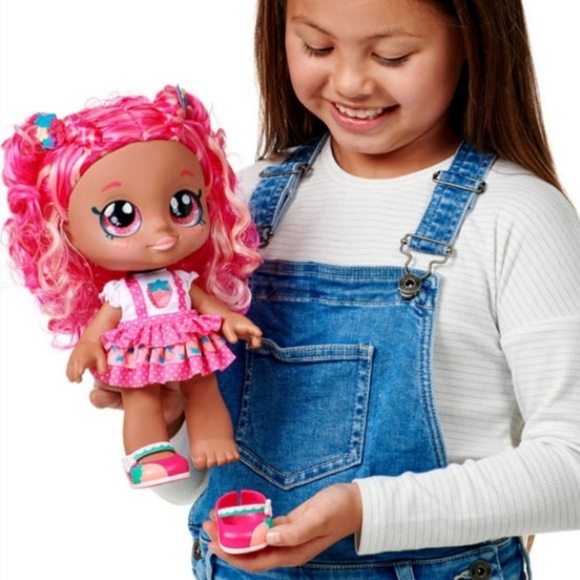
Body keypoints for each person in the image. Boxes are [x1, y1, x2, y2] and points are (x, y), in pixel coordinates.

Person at [91, 0, 580, 578]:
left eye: (391, 55)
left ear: (473, 42)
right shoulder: (240, 208)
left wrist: (365, 512)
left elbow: (571, 467)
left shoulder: (517, 216)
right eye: (317, 47)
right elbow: (194, 488)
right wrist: (171, 416)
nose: (350, 82)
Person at [2, 86, 262, 489]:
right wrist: (88, 346)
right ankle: (148, 455)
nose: (162, 230)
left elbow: (207, 305)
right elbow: (100, 326)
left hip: (188, 340)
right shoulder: (120, 294)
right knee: (141, 397)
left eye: (182, 205)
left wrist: (230, 319)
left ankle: (212, 436)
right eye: (121, 216)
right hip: (138, 348)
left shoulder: (184, 282)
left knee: (203, 385)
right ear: (68, 232)